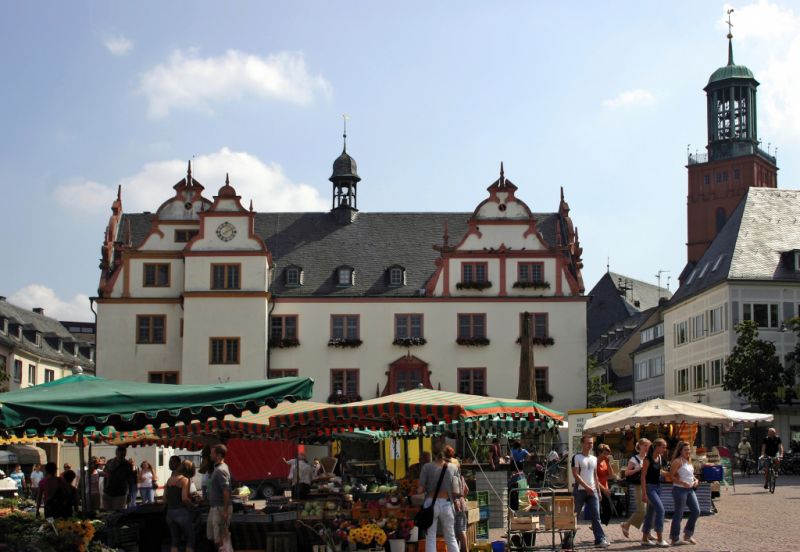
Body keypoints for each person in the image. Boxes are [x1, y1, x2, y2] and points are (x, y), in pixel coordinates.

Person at [416, 445, 460, 552]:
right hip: (447, 504)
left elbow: (420, 490)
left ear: (433, 454)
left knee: (430, 537)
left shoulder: (426, 467)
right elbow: (456, 491)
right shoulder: (453, 467)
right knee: (450, 537)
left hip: (430, 504)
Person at [571, 435, 609, 548]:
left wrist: (599, 491)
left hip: (593, 491)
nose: (590, 445)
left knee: (596, 516)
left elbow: (595, 475)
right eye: (588, 443)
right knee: (574, 516)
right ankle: (568, 539)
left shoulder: (594, 458)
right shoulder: (576, 457)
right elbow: (575, 474)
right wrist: (586, 487)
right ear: (582, 444)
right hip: (580, 491)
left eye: (591, 443)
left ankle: (600, 539)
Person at [668, 441, 700, 545]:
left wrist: (696, 480)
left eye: (689, 449)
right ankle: (674, 537)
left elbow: (691, 474)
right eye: (685, 450)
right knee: (679, 513)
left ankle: (688, 534)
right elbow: (671, 476)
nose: (688, 451)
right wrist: (682, 482)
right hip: (679, 490)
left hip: (690, 489)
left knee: (696, 511)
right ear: (680, 450)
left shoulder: (688, 461)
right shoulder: (677, 461)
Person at [641, 438, 670, 547]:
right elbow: (643, 477)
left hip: (658, 487)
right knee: (661, 510)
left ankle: (644, 538)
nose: (664, 449)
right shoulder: (647, 460)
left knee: (650, 513)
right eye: (663, 446)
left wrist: (670, 474)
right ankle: (660, 538)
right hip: (649, 487)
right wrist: (644, 493)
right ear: (656, 447)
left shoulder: (660, 458)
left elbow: (659, 472)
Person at [620, 438, 651, 539]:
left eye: (648, 446)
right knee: (642, 510)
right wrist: (637, 469)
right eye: (645, 445)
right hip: (639, 486)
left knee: (650, 510)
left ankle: (648, 532)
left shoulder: (649, 457)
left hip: (649, 485)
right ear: (640, 446)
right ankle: (626, 524)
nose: (647, 448)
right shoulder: (634, 459)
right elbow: (626, 472)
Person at [165, 457, 196, 552]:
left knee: (175, 542)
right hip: (181, 513)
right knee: (190, 540)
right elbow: (184, 499)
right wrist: (193, 507)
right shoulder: (184, 480)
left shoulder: (170, 479)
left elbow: (164, 498)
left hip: (170, 514)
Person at [207, 444, 232, 551]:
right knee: (213, 536)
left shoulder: (220, 470)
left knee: (221, 538)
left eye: (212, 453)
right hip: (215, 507)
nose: (210, 455)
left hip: (220, 508)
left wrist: (225, 511)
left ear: (218, 455)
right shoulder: (217, 468)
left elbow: (226, 491)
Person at [448, 456, 469, 552]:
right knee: (461, 528)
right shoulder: (461, 477)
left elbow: (453, 492)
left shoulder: (453, 477)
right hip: (462, 503)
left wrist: (457, 500)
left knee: (459, 530)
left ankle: (464, 549)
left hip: (456, 504)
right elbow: (467, 490)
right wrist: (463, 498)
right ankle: (463, 549)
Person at [103, 446, 133, 510]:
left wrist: (129, 494)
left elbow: (130, 481)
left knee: (118, 515)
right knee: (107, 514)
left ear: (125, 454)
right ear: (116, 453)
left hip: (120, 494)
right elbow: (105, 476)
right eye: (120, 454)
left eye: (123, 455)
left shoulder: (128, 465)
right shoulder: (109, 462)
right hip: (108, 493)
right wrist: (104, 489)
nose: (121, 456)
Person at [595, 444, 613, 526]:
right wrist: (603, 489)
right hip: (597, 488)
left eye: (607, 454)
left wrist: (608, 463)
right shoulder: (594, 462)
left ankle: (598, 524)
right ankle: (597, 524)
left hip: (605, 488)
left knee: (608, 510)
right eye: (605, 453)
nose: (606, 456)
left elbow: (611, 475)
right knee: (599, 508)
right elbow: (594, 478)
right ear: (599, 453)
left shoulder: (605, 462)